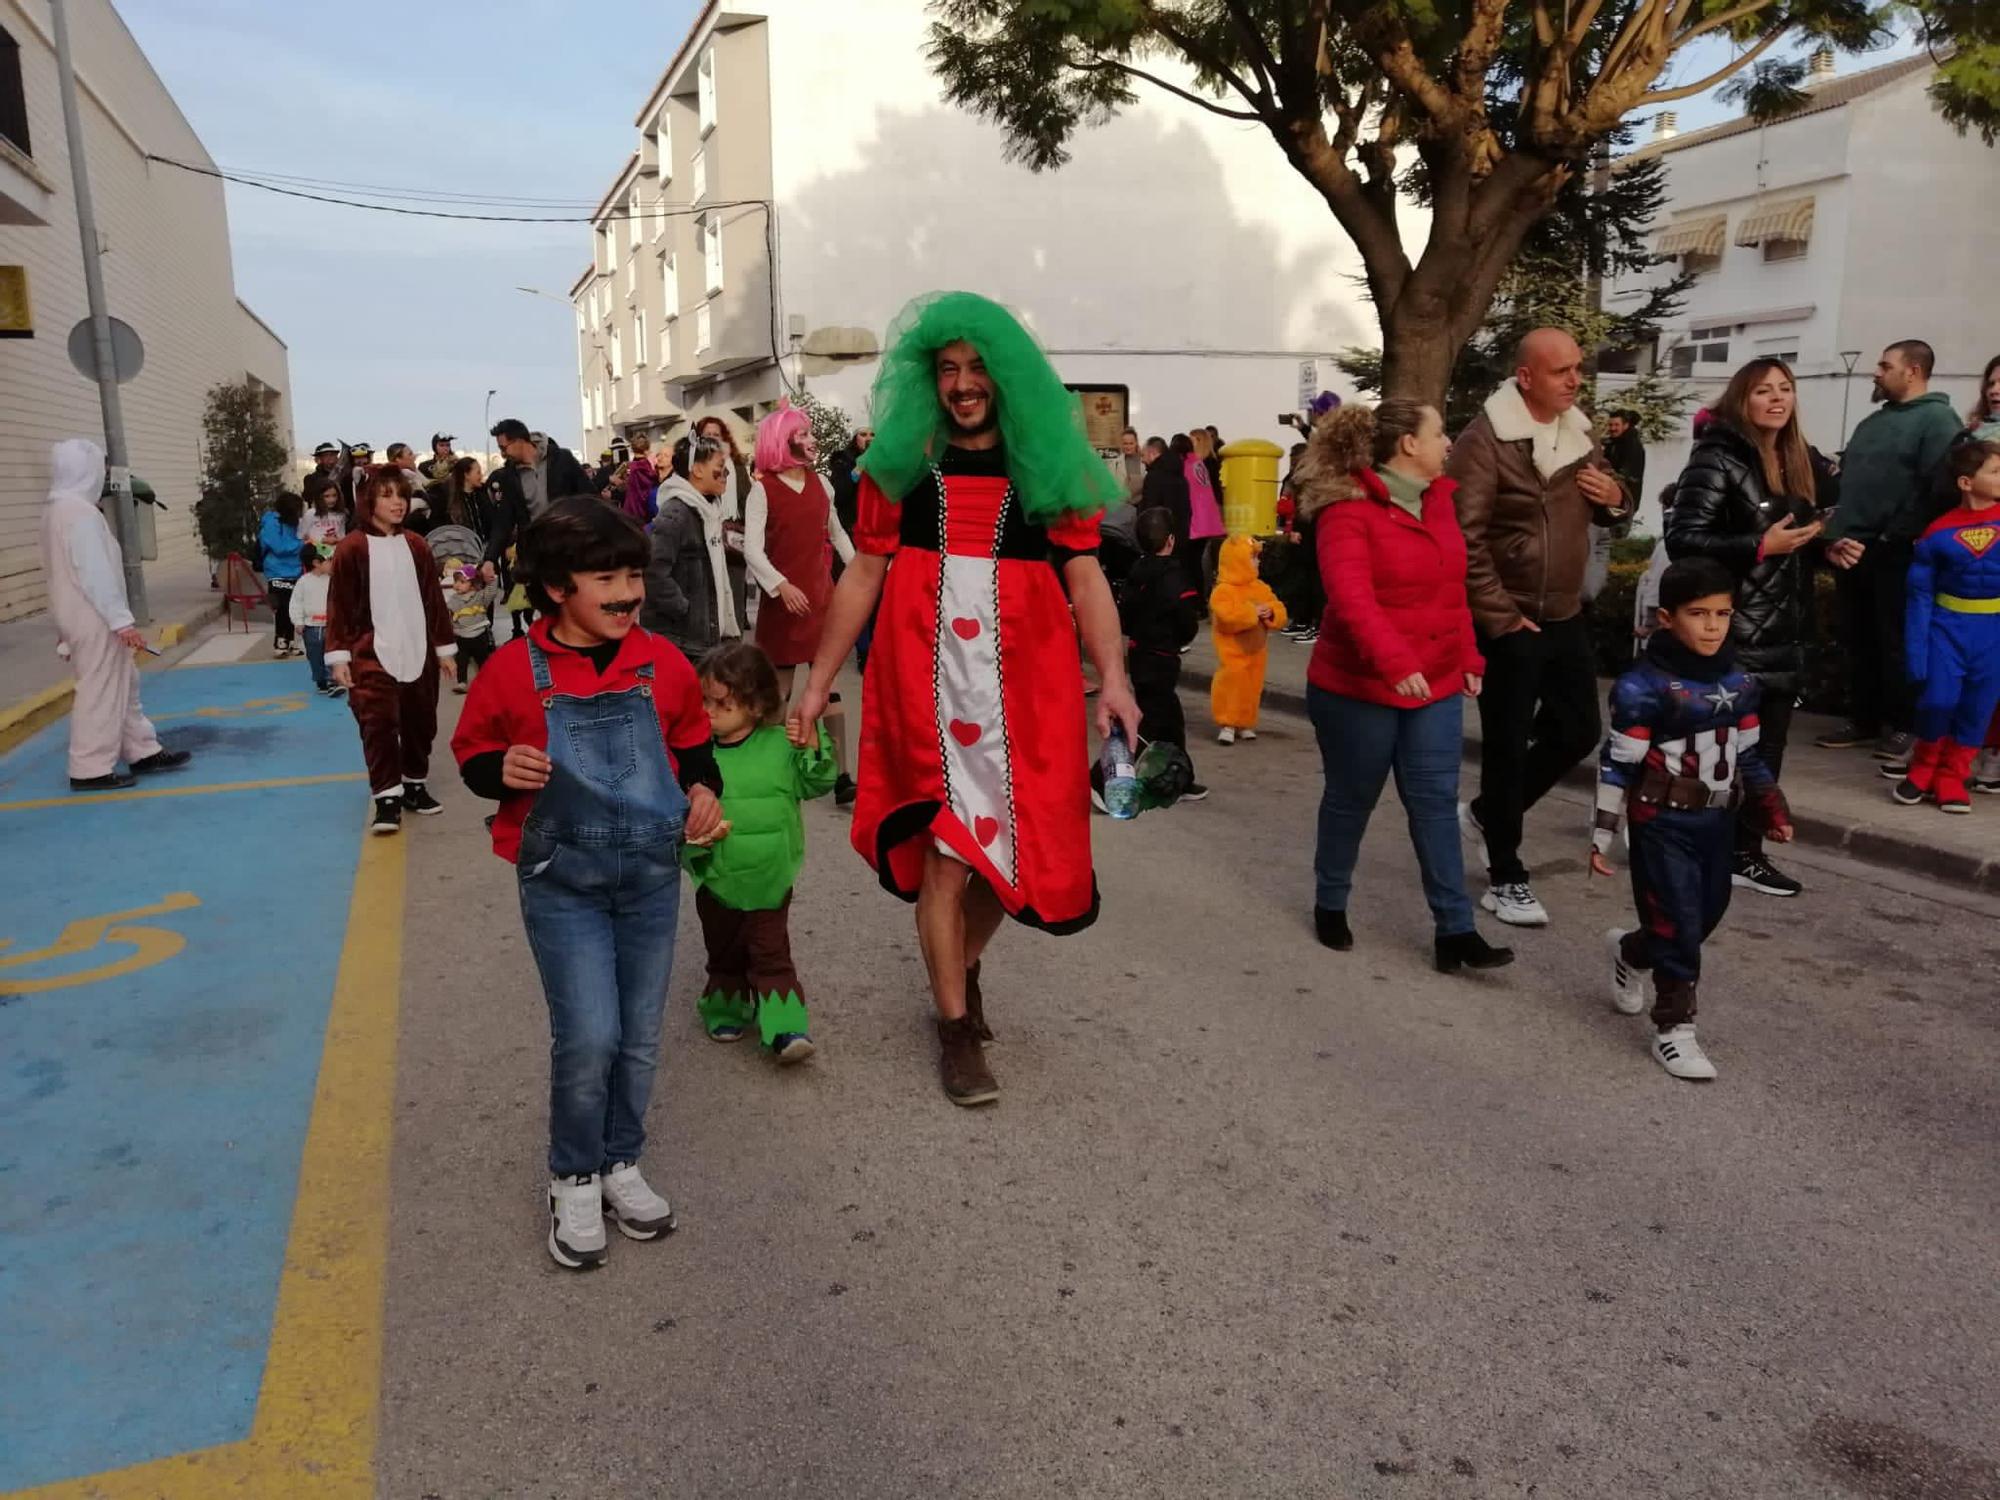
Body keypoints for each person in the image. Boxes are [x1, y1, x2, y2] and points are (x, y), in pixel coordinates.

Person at [790, 290, 1140, 1108]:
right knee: (947, 855)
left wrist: (1115, 680)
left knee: (1009, 859)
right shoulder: (901, 467)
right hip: (927, 684)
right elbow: (863, 576)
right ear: (929, 382)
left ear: (1005, 375)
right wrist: (815, 685)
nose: (962, 383)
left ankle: (962, 965)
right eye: (947, 369)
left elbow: (1086, 579)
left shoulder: (1043, 463)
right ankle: (954, 1026)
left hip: (1028, 689)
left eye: (978, 366)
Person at [450, 499, 724, 1270]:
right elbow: (473, 754)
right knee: (590, 1035)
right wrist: (495, 771)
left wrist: (705, 794)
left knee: (637, 1039)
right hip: (560, 882)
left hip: (649, 877)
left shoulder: (664, 663)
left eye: (633, 574)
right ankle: (573, 1174)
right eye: (607, 577)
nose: (629, 592)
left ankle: (620, 1162)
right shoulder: (511, 672)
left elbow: (694, 747)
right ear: (555, 588)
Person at [1294, 401, 1511, 972]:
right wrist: (1393, 662)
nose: (1448, 443)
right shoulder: (1347, 510)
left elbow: (1451, 589)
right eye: (1440, 433)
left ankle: (1455, 931)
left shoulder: (1439, 500)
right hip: (1357, 689)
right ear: (1408, 445)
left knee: (1435, 804)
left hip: (1433, 685)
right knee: (1351, 801)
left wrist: (1467, 654)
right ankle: (1331, 902)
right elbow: (1351, 599)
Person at [1450, 327, 1633, 927]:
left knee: (1579, 729)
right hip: (1512, 617)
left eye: (1578, 368)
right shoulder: (1486, 440)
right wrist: (1501, 617)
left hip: (1565, 613)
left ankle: (1486, 813)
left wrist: (1616, 498)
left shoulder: (1577, 434)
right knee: (1504, 746)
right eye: (1561, 371)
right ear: (1526, 377)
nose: (1575, 380)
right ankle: (1505, 874)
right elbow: (1464, 539)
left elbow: (1612, 508)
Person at [1591, 557, 1793, 1081]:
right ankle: (1675, 1029)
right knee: (1678, 924)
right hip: (1661, 821)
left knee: (1700, 917)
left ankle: (1632, 951)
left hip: (1718, 822)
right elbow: (1617, 764)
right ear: (1666, 618)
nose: (1711, 626)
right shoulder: (1642, 688)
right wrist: (1602, 834)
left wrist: (1771, 805)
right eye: (1698, 613)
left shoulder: (1741, 682)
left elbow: (1748, 757)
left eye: (1723, 614)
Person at [1666, 358, 1858, 898]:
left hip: (1784, 631)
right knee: (1718, 751)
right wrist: (1758, 547)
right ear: (1740, 401)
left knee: (1766, 753)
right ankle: (1680, 842)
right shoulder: (1718, 456)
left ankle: (1744, 855)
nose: (1777, 399)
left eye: (1785, 389)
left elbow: (1790, 537)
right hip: (1734, 631)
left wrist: (1825, 549)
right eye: (1762, 391)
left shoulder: (1796, 457)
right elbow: (1684, 539)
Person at [684, 640, 838, 1064]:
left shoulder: (781, 746)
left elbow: (817, 784)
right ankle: (726, 1006)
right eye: (703, 702)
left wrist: (811, 742)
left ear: (756, 705)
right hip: (716, 876)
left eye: (721, 704)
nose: (708, 712)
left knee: (771, 953)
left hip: (771, 876)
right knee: (725, 950)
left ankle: (786, 1026)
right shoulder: (696, 756)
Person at [1817, 341, 1965, 759]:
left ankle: (1904, 725)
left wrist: (1895, 535)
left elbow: (1936, 488)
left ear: (1913, 371)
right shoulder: (1873, 422)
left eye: (1885, 365)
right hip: (1852, 547)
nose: (1876, 372)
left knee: (1897, 640)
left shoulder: (1938, 420)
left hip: (1896, 549)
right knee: (1858, 637)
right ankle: (1863, 719)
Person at [40, 438, 190, 792]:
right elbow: (95, 574)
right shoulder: (79, 513)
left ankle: (141, 749)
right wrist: (121, 621)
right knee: (101, 690)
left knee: (123, 684)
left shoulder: (56, 511)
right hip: (95, 616)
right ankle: (89, 768)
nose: (103, 474)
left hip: (80, 614)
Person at [325, 468, 458, 834]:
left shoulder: (417, 544)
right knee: (378, 725)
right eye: (387, 495)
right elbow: (340, 605)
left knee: (421, 722)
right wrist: (339, 656)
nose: (397, 502)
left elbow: (434, 601)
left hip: (418, 649)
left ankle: (414, 785)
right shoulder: (352, 547)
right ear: (370, 501)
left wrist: (444, 649)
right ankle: (387, 796)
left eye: (401, 495)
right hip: (371, 653)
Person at [1890, 441, 2000, 813]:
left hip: (1994, 631)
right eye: (1996, 471)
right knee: (1938, 700)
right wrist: (1916, 651)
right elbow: (1919, 594)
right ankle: (1923, 767)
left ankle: (1953, 774)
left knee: (1978, 706)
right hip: (1947, 627)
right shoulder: (1937, 531)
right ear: (1966, 482)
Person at [745, 401, 854, 700]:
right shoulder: (762, 490)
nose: (812, 440)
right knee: (779, 693)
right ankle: (779, 748)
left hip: (821, 601)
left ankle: (833, 748)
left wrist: (858, 572)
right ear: (782, 442)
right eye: (803, 434)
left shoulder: (823, 483)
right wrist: (782, 586)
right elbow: (752, 550)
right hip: (782, 608)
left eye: (810, 433)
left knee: (828, 692)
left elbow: (838, 533)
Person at [1112, 506, 1206, 802]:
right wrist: (1179, 638)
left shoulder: (1135, 573)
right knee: (1160, 722)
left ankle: (1170, 776)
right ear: (1170, 540)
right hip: (1163, 656)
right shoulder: (1174, 577)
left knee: (1156, 717)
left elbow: (1123, 615)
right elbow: (1186, 621)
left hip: (1139, 653)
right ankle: (1113, 778)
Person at [642, 432, 745, 662]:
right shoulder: (676, 514)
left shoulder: (709, 511)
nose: (726, 474)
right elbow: (653, 571)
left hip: (702, 639)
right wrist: (685, 609)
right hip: (683, 641)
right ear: (697, 470)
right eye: (720, 466)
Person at [481, 418, 592, 572]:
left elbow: (591, 498)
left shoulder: (562, 460)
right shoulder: (510, 476)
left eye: (504, 448)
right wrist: (490, 559)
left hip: (572, 548)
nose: (502, 454)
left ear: (519, 441)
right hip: (536, 554)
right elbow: (504, 520)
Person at [1208, 534, 1287, 743]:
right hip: (1232, 652)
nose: (1257, 561)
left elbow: (1279, 608)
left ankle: (1245, 721)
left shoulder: (1260, 587)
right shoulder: (1223, 590)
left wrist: (1270, 612)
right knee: (1231, 684)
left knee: (1252, 686)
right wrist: (1252, 613)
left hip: (1257, 650)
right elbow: (1226, 618)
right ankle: (1227, 722)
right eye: (1253, 557)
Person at [258, 492, 306, 658]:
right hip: (276, 571)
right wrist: (301, 544)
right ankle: (280, 640)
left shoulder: (293, 523)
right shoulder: (272, 523)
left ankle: (292, 642)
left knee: (293, 607)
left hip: (295, 570)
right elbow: (278, 547)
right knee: (282, 606)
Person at [1183, 430, 1226, 599]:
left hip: (1201, 520)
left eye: (1191, 440)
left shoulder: (1201, 464)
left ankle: (1200, 596)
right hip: (1208, 520)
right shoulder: (1209, 463)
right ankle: (1202, 596)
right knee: (1201, 560)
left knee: (1199, 561)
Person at [443, 565, 499, 694]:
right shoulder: (453, 600)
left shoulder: (480, 597)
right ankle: (462, 682)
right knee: (461, 661)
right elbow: (446, 612)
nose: (457, 585)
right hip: (461, 637)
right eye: (456, 581)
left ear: (473, 584)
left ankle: (487, 681)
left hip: (479, 635)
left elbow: (491, 591)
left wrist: (493, 578)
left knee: (483, 660)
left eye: (462, 582)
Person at [292, 543, 339, 696]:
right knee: (315, 656)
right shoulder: (303, 582)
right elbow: (296, 603)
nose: (332, 562)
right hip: (311, 627)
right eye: (329, 560)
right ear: (316, 563)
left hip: (331, 624)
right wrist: (298, 621)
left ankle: (333, 681)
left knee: (332, 653)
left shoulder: (333, 580)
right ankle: (321, 681)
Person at [1142, 435, 1191, 557]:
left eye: (1143, 455)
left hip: (1160, 540)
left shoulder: (1153, 477)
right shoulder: (1180, 475)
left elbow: (1150, 509)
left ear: (1153, 453)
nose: (1142, 460)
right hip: (1181, 537)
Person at [1602, 409, 1647, 507]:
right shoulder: (1612, 443)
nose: (1613, 428)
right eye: (1610, 425)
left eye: (1616, 425)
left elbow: (1628, 474)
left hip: (1624, 502)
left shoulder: (1632, 445)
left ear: (1625, 425)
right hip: (1612, 500)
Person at [299, 473, 348, 547]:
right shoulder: (311, 514)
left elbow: (342, 535)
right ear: (319, 497)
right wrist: (322, 540)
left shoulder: (341, 514)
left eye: (334, 495)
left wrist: (338, 540)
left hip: (335, 554)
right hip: (315, 554)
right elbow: (301, 537)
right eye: (327, 496)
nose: (332, 500)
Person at [623, 433, 660, 522]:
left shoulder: (630, 468)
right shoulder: (652, 469)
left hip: (631, 511)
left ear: (632, 449)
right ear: (647, 449)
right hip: (648, 512)